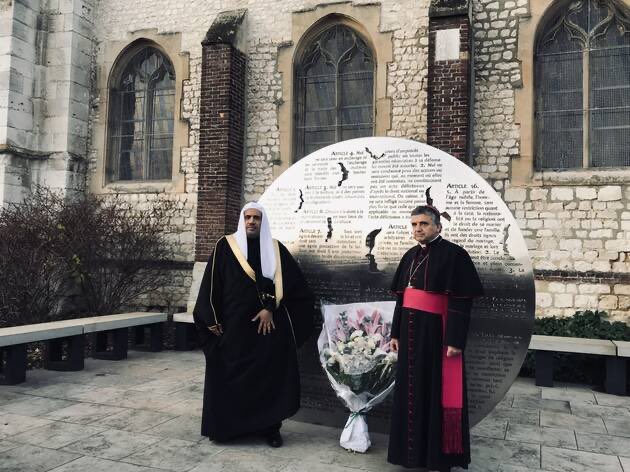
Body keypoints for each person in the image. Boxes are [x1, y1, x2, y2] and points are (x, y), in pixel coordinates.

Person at [193, 202, 315, 448]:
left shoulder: (275, 249)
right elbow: (211, 285)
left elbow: (296, 288)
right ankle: (231, 429)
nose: (251, 222)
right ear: (242, 220)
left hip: (266, 332)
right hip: (234, 330)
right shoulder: (225, 247)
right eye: (247, 217)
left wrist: (270, 308)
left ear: (263, 222)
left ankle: (270, 428)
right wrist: (212, 318)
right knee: (231, 376)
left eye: (256, 218)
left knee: (268, 380)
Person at [387, 205, 483, 471]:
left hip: (437, 335)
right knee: (411, 392)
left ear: (437, 226)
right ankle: (412, 455)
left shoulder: (455, 255)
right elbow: (401, 299)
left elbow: (461, 302)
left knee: (435, 391)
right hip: (409, 335)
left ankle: (439, 459)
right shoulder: (409, 256)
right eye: (414, 225)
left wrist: (455, 340)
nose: (418, 229)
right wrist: (395, 332)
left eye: (424, 224)